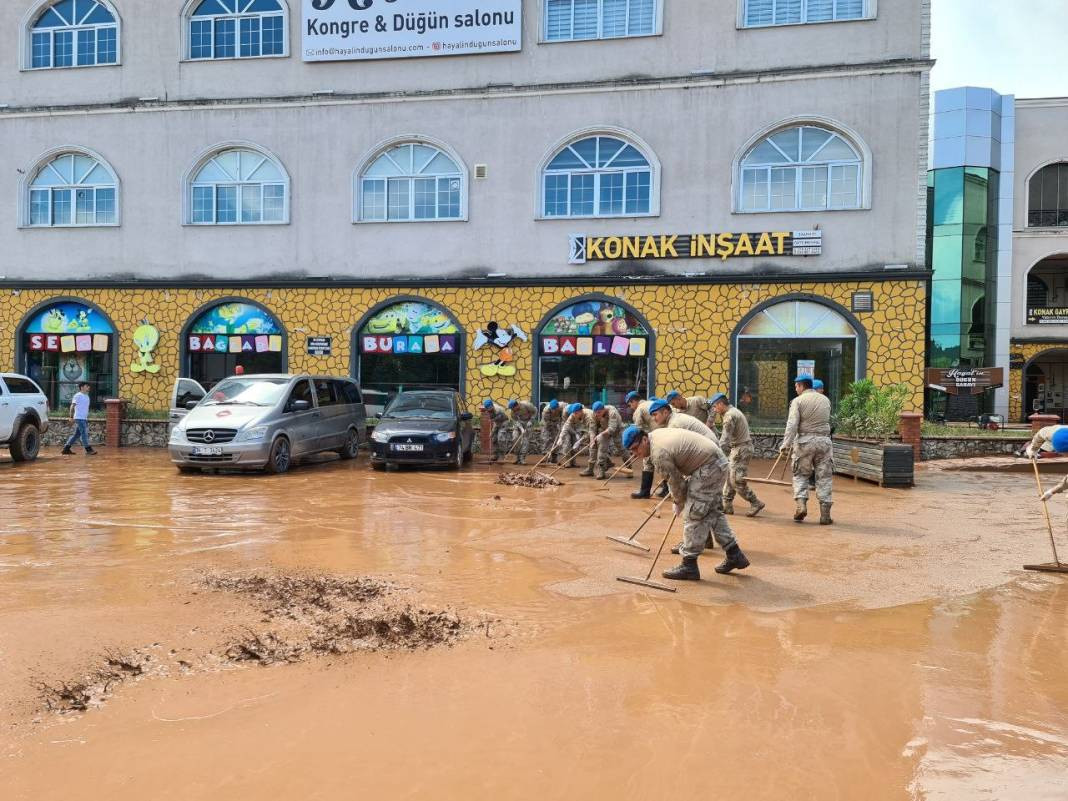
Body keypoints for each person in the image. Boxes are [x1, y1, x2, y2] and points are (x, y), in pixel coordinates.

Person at [623, 425, 750, 581]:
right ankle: (734, 554)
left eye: (636, 448)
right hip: (714, 463)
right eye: (632, 451)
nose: (636, 454)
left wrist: (678, 502)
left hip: (709, 467)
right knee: (712, 512)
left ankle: (689, 565)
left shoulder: (658, 452)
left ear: (643, 439)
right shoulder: (654, 437)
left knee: (693, 513)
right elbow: (675, 479)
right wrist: (678, 498)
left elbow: (676, 482)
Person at [780, 375, 834, 525]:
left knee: (801, 475)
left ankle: (801, 505)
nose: (795, 389)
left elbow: (792, 424)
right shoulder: (825, 399)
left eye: (796, 386)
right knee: (824, 477)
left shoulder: (798, 401)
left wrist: (786, 444)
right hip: (824, 442)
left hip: (805, 442)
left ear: (801, 386)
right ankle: (825, 515)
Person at [711, 393, 764, 517]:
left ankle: (755, 502)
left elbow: (725, 440)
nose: (714, 410)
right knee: (730, 476)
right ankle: (727, 505)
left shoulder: (729, 416)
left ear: (720, 404)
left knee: (736, 480)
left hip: (741, 449)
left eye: (715, 406)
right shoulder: (733, 411)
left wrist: (715, 454)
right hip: (740, 448)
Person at [625, 390, 660, 499]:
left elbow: (637, 432)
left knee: (648, 462)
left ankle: (644, 492)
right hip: (664, 433)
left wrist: (637, 449)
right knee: (661, 462)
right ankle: (666, 489)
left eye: (630, 404)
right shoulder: (649, 403)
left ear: (634, 401)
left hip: (655, 437)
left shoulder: (638, 410)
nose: (630, 407)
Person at [649, 398, 719, 444]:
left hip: (709, 444)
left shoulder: (675, 424)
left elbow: (712, 405)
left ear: (665, 412)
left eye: (655, 415)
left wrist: (709, 422)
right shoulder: (675, 416)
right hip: (706, 443)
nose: (653, 418)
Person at [588, 400, 625, 480]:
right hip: (604, 428)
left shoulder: (612, 412)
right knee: (598, 445)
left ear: (604, 409)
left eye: (599, 412)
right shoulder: (594, 414)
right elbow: (592, 429)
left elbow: (612, 429)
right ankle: (601, 469)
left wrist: (600, 434)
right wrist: (592, 439)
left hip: (616, 429)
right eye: (595, 412)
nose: (597, 414)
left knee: (621, 447)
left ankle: (628, 464)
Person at [1030, 427, 1068, 500]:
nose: (1062, 455)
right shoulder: (1053, 433)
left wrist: (1051, 492)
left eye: (1063, 454)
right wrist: (1033, 449)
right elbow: (1040, 434)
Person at [61, 382, 97, 456]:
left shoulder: (87, 396)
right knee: (84, 433)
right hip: (79, 418)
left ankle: (66, 449)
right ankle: (88, 449)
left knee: (76, 435)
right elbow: (72, 406)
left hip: (84, 418)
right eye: (87, 386)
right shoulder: (77, 395)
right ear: (82, 387)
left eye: (88, 386)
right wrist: (71, 417)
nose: (88, 387)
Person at [555, 403, 595, 468]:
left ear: (581, 411)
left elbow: (591, 432)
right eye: (574, 413)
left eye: (576, 413)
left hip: (596, 429)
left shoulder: (589, 416)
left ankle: (603, 463)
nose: (574, 415)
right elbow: (566, 426)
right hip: (578, 429)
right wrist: (561, 437)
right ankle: (568, 462)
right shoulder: (574, 414)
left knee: (595, 446)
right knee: (567, 444)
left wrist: (580, 441)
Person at [507, 399, 538, 465]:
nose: (513, 410)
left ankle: (522, 458)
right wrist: (521, 428)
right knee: (515, 438)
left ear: (516, 405)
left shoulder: (526, 405)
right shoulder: (512, 412)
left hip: (528, 422)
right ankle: (517, 457)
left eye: (513, 408)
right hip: (519, 423)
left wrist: (531, 420)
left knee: (525, 441)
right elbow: (515, 421)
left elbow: (535, 410)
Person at [482, 399, 509, 463]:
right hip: (496, 422)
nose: (489, 410)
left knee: (500, 438)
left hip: (503, 422)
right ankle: (495, 455)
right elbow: (495, 422)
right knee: (494, 438)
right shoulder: (488, 410)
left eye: (490, 408)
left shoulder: (499, 409)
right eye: (487, 409)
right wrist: (492, 432)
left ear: (492, 405)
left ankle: (502, 455)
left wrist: (492, 420)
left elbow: (499, 419)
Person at [540, 399, 564, 463]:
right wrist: (554, 425)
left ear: (557, 407)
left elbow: (563, 418)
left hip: (556, 422)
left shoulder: (562, 407)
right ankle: (546, 457)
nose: (553, 411)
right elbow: (547, 423)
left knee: (556, 440)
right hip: (546, 424)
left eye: (555, 409)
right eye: (552, 409)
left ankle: (554, 457)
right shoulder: (546, 411)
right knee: (546, 439)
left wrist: (560, 426)